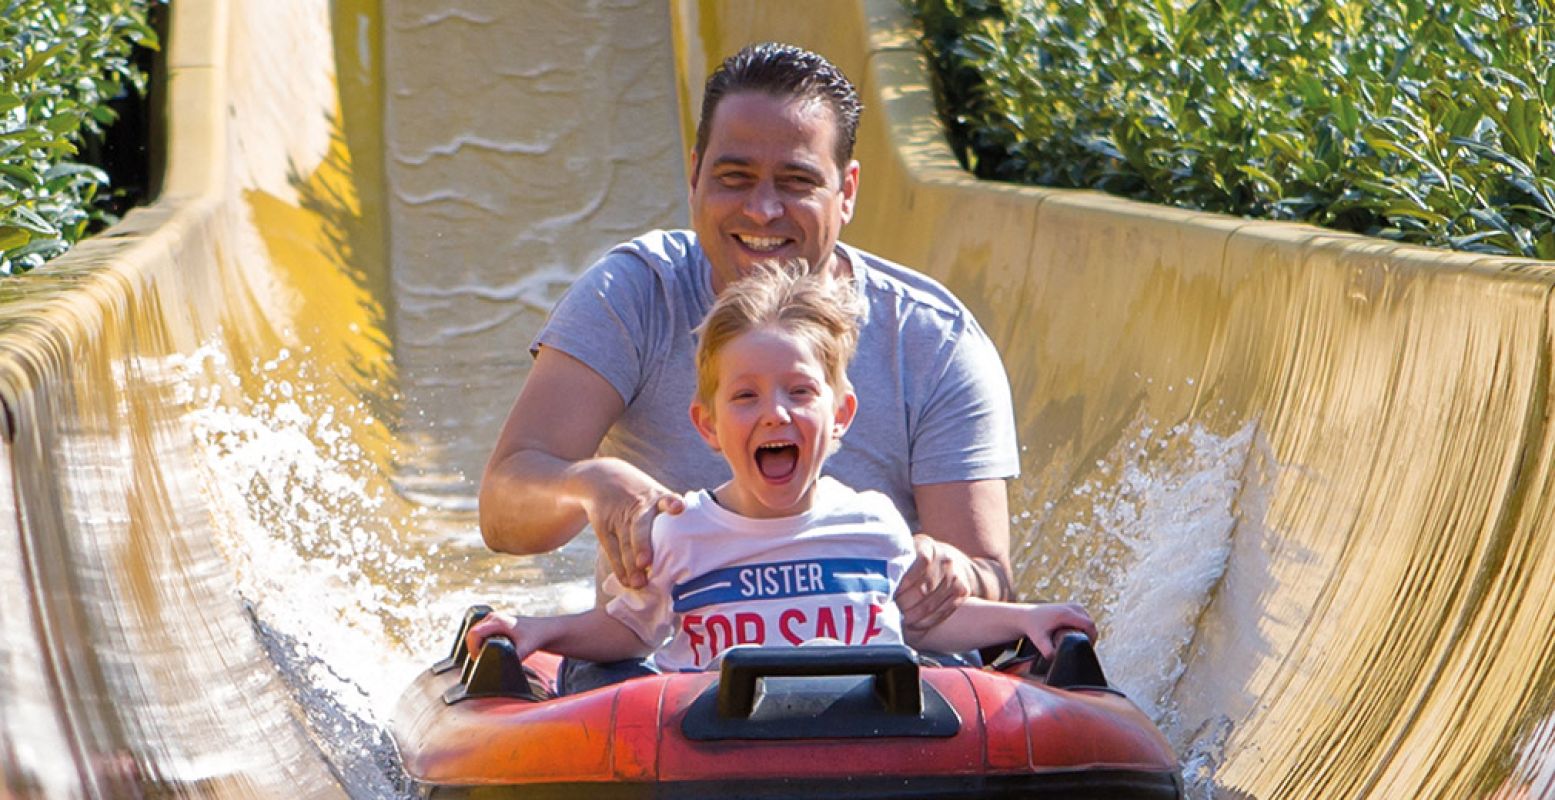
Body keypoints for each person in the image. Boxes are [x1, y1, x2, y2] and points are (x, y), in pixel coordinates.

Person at [479, 42, 1019, 640]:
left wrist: (951, 571)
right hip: (664, 682)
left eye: (796, 182)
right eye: (734, 178)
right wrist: (588, 482)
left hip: (871, 682)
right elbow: (504, 519)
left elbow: (990, 577)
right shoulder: (634, 294)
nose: (762, 210)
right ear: (693, 177)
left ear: (847, 192)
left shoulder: (932, 340)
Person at [468, 265, 1092, 675]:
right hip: (713, 753)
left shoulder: (872, 524)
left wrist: (1026, 619)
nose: (775, 413)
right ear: (708, 426)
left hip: (858, 745)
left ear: (841, 413)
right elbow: (627, 635)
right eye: (745, 397)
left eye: (800, 391)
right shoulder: (680, 535)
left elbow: (932, 618)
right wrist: (536, 631)